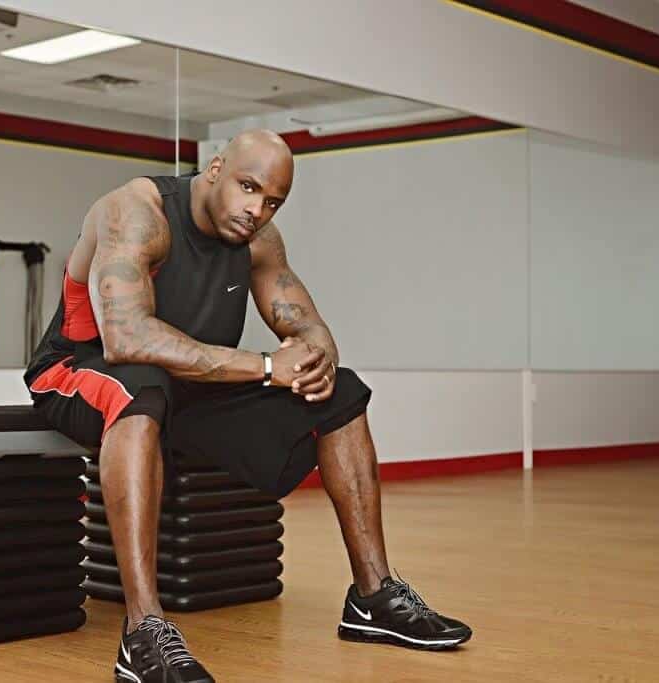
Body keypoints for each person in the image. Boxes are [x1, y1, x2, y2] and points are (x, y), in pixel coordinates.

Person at [24, 129, 472, 682]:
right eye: (248, 187)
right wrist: (266, 367)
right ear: (215, 170)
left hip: (186, 384)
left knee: (344, 392)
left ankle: (373, 596)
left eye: (273, 201)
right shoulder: (135, 212)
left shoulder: (259, 240)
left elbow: (307, 325)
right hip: (78, 370)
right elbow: (125, 339)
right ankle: (144, 631)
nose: (256, 210)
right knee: (139, 387)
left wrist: (315, 361)